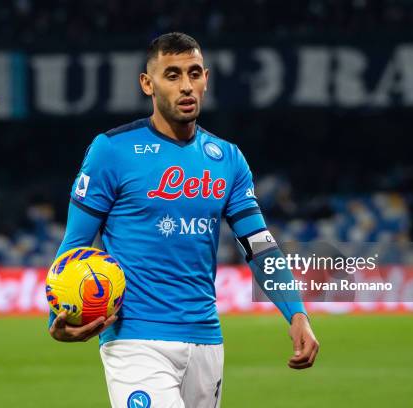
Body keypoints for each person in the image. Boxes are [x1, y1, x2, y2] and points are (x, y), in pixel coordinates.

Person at [48, 32, 319, 408]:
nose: (186, 85)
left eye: (194, 73)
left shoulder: (227, 158)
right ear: (148, 83)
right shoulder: (111, 151)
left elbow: (259, 245)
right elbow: (75, 246)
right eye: (172, 75)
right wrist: (57, 319)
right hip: (135, 340)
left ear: (206, 78)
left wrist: (297, 313)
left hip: (206, 340)